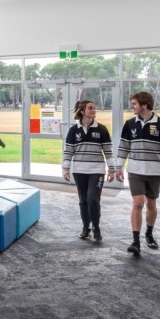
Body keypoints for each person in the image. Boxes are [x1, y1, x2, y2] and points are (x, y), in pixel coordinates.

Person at [113, 93, 160, 256]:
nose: (132, 106)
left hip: (155, 172)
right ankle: (135, 241)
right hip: (135, 171)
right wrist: (118, 167)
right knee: (138, 203)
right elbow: (123, 148)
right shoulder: (129, 124)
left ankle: (149, 233)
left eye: (134, 104)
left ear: (144, 105)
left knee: (151, 204)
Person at [62, 100, 113, 241]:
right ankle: (86, 227)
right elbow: (68, 152)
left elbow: (108, 152)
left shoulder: (102, 129)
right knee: (83, 200)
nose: (94, 110)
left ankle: (96, 227)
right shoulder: (73, 130)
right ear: (82, 111)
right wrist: (65, 168)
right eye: (90, 108)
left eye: (94, 108)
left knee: (93, 199)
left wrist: (112, 170)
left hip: (97, 171)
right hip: (79, 171)